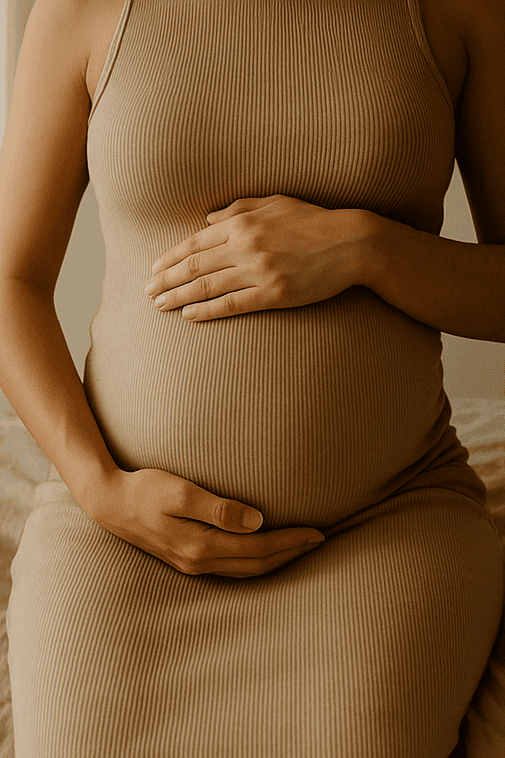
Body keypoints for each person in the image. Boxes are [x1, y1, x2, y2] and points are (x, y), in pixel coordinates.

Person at [1, 0, 505, 754]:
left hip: (381, 534)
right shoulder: (82, 8)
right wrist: (100, 490)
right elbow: (11, 280)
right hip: (120, 537)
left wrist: (369, 248)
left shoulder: (458, 10)